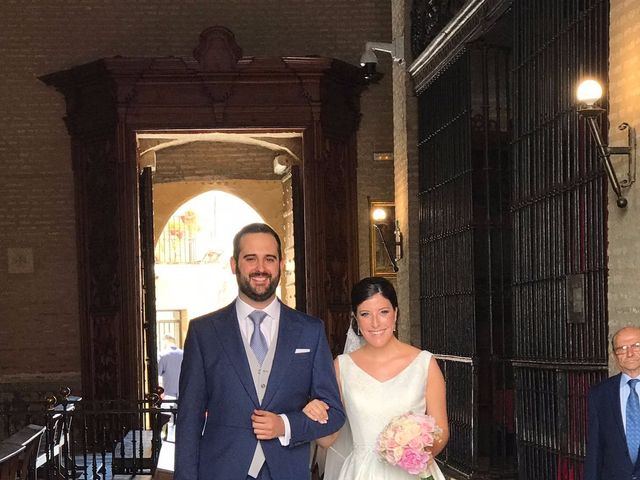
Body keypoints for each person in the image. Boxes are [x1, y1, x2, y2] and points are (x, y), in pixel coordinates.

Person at [175, 222, 345, 480]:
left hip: (287, 471)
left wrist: (285, 425)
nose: (261, 268)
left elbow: (334, 414)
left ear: (281, 263)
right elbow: (189, 419)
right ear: (234, 265)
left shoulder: (310, 330)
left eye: (269, 259)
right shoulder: (204, 332)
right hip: (220, 471)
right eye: (250, 259)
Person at [303, 276, 449, 479]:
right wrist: (315, 415)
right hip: (361, 473)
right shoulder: (342, 367)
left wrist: (413, 455)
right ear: (355, 318)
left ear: (395, 313)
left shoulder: (425, 364)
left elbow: (441, 431)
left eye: (383, 312)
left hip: (411, 472)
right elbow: (328, 440)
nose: (375, 323)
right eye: (365, 314)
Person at [585, 325, 640, 479]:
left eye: (636, 346)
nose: (629, 353)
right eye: (622, 348)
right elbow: (595, 449)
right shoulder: (600, 394)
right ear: (615, 356)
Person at [158, 334, 184, 399]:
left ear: (165, 342)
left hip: (169, 393)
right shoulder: (184, 354)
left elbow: (159, 372)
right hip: (183, 391)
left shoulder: (163, 355)